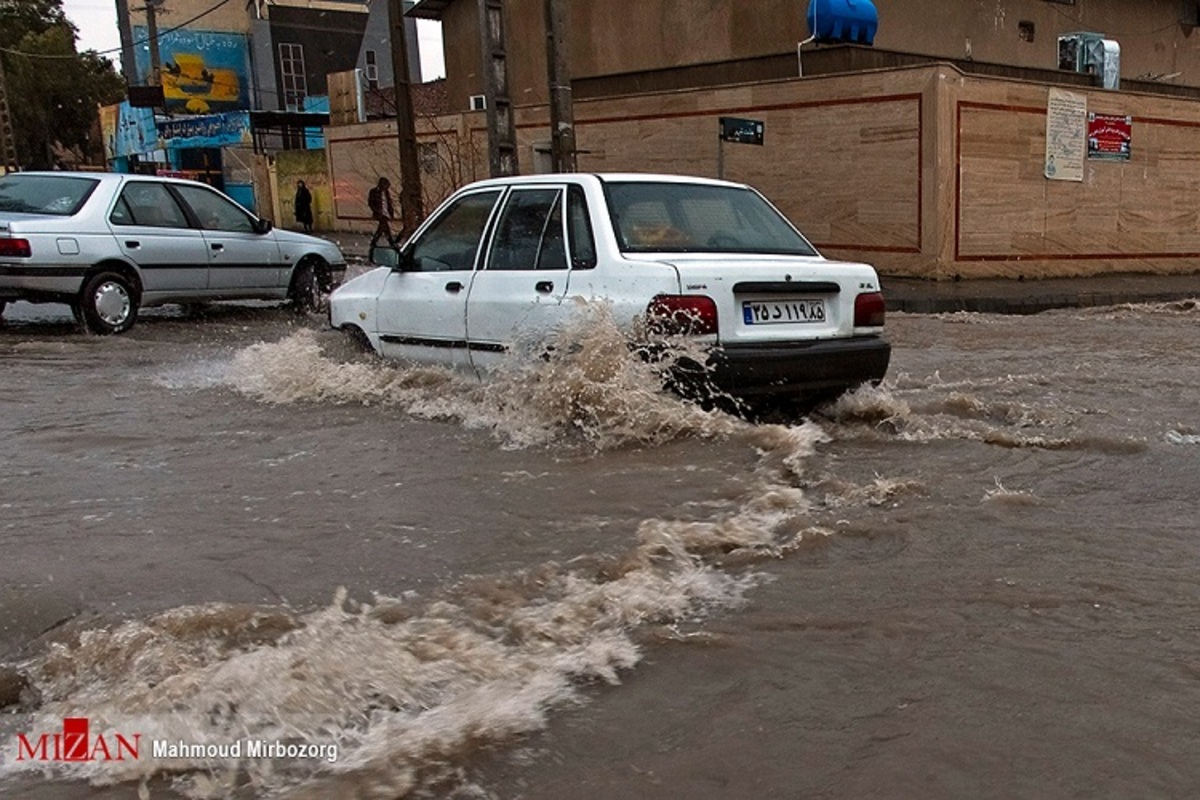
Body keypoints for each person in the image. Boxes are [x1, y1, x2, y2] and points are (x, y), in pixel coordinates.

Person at [368, 176, 400, 249]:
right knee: (384, 226)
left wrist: (391, 213)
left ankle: (375, 242)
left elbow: (388, 204)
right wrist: (377, 210)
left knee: (382, 228)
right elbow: (371, 203)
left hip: (385, 214)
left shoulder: (386, 192)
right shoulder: (373, 192)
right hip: (379, 213)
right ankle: (391, 242)